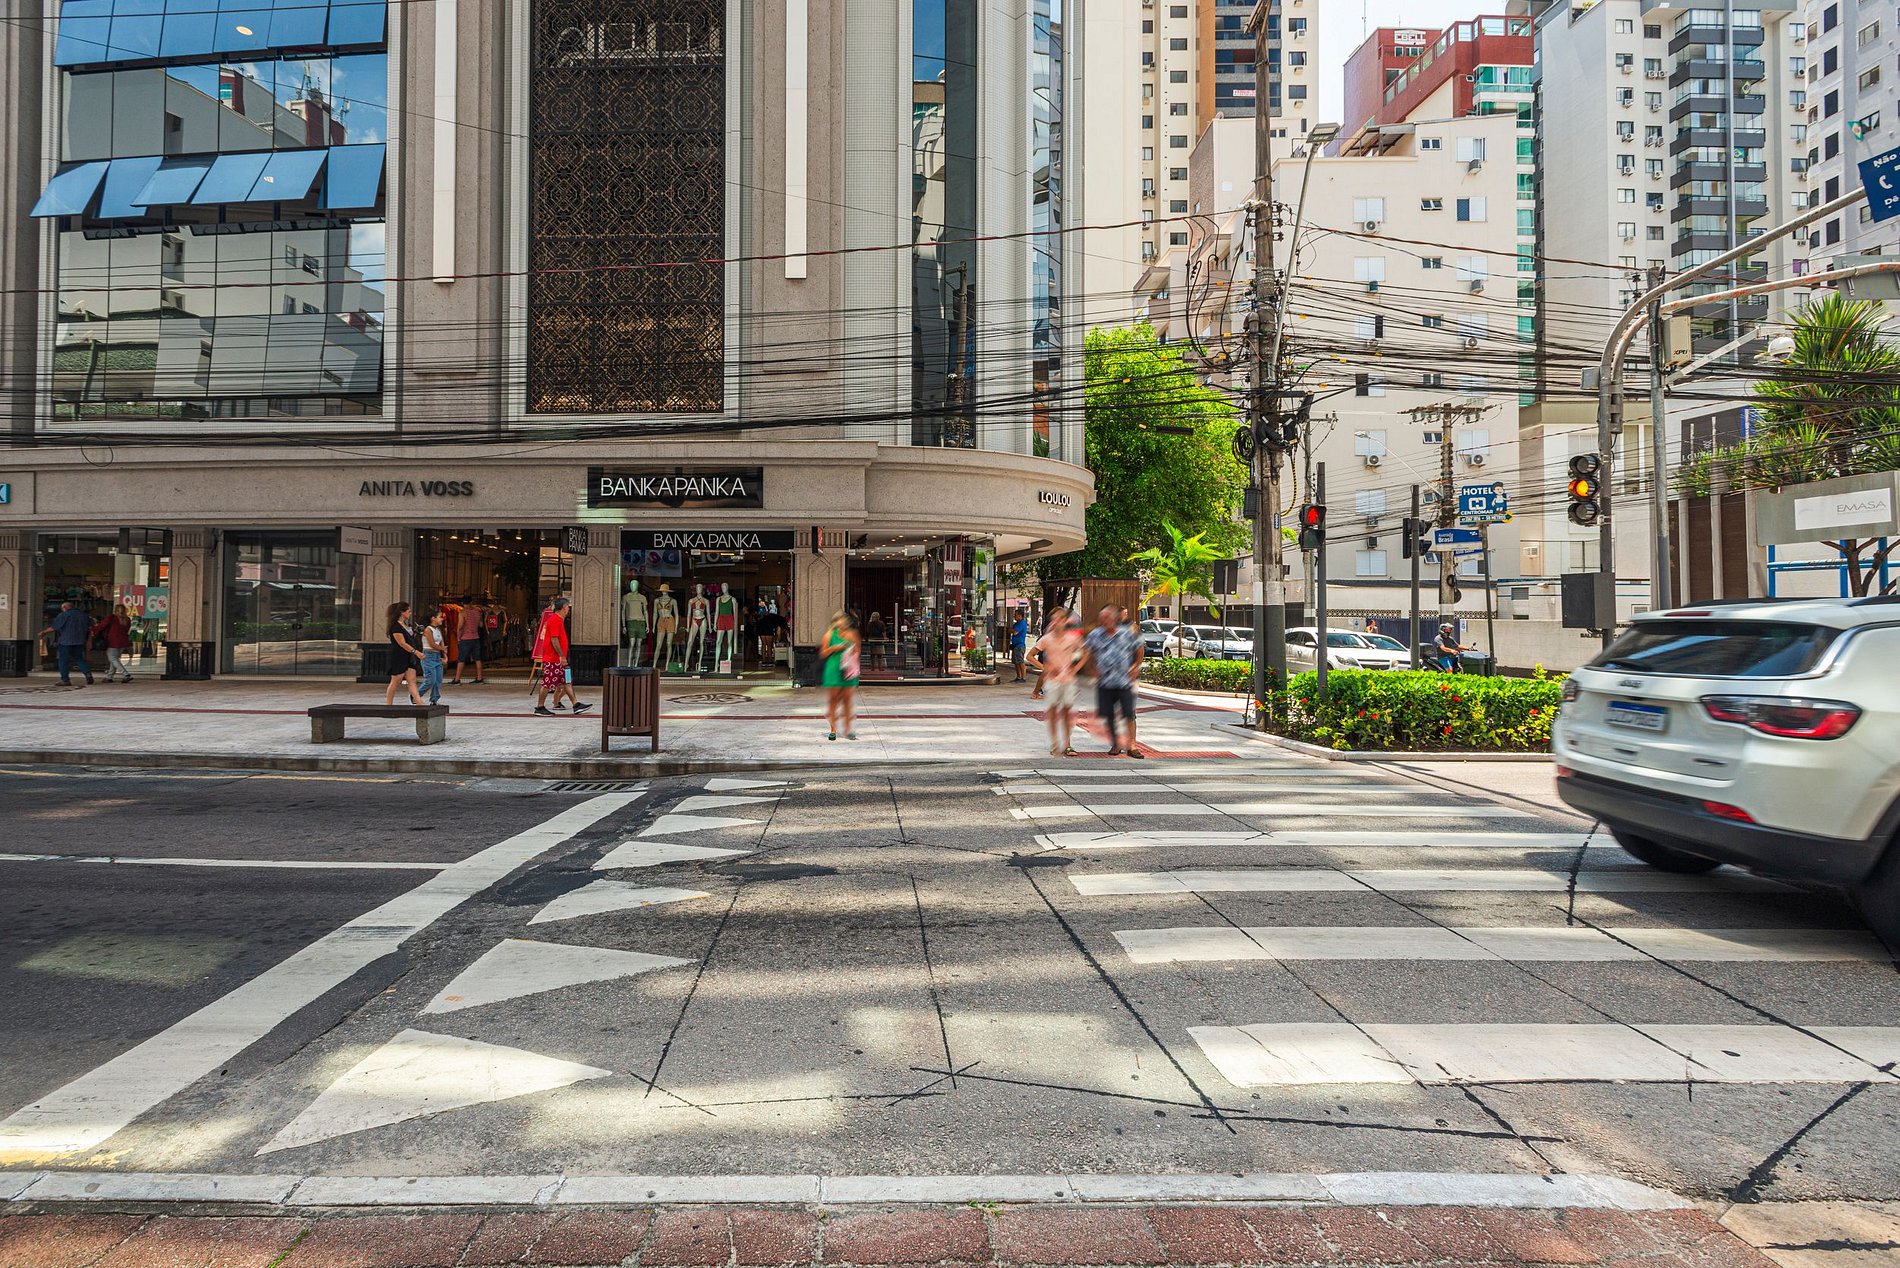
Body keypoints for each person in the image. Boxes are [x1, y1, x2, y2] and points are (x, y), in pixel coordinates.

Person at [1082, 604, 1146, 758]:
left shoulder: (1127, 633)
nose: (1103, 621)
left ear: (1114, 618)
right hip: (1105, 682)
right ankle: (1116, 743)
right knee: (1108, 715)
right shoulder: (1095, 634)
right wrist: (1091, 669)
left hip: (1124, 681)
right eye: (1101, 619)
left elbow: (1139, 648)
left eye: (1106, 618)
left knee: (1129, 714)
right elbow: (1087, 653)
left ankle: (1132, 746)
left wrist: (1135, 666)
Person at [1027, 606, 1086, 756]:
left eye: (1060, 619)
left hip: (1068, 681)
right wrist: (1045, 668)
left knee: (1067, 712)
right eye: (1055, 619)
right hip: (1052, 681)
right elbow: (1030, 656)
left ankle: (1067, 744)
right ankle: (1054, 744)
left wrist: (1075, 668)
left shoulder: (1072, 638)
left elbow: (1085, 653)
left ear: (1065, 621)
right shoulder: (1046, 639)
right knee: (1053, 712)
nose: (1057, 622)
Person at [533, 597, 590, 716]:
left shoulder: (558, 620)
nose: (569, 609)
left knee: (567, 682)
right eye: (568, 607)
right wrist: (562, 656)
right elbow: (554, 639)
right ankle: (540, 707)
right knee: (547, 683)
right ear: (564, 608)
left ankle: (576, 705)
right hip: (554, 659)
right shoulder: (555, 620)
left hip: (558, 659)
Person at [820, 610, 861, 741]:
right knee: (834, 700)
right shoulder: (829, 635)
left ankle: (848, 730)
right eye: (841, 620)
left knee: (847, 701)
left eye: (845, 620)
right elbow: (823, 653)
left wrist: (851, 649)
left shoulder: (852, 634)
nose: (844, 622)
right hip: (834, 670)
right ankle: (833, 729)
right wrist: (834, 648)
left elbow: (858, 650)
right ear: (835, 622)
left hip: (848, 670)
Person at [40, 600, 96, 687]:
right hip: (79, 641)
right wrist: (89, 641)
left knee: (63, 660)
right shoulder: (83, 615)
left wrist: (43, 632)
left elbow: (54, 627)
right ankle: (88, 674)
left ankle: (65, 680)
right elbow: (91, 628)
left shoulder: (64, 615)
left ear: (64, 608)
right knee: (79, 658)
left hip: (65, 641)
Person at [383, 602, 426, 707]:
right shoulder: (396, 627)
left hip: (409, 656)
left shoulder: (406, 625)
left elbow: (410, 639)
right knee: (395, 681)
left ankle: (419, 702)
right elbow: (402, 643)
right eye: (408, 611)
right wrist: (416, 652)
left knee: (412, 680)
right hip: (399, 656)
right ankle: (388, 704)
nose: (410, 613)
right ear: (402, 612)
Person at [93, 603, 135, 683]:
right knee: (115, 660)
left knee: (112, 658)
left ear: (115, 610)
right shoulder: (127, 619)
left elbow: (102, 626)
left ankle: (126, 674)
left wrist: (93, 629)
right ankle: (109, 677)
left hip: (112, 641)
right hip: (123, 641)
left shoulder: (111, 618)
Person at [451, 596, 486, 685]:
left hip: (465, 638)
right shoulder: (477, 611)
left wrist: (458, 637)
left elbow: (460, 627)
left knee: (461, 659)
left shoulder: (462, 612)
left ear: (462, 603)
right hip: (476, 637)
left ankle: (457, 679)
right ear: (471, 602)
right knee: (477, 658)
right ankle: (479, 678)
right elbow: (481, 625)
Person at [419, 609, 448, 706]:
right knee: (430, 680)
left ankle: (434, 700)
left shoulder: (438, 630)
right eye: (440, 617)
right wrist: (443, 649)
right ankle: (416, 696)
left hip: (437, 656)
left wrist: (444, 655)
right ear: (433, 618)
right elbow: (432, 644)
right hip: (428, 656)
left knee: (438, 680)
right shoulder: (428, 630)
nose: (442, 619)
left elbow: (441, 642)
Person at [1009, 609, 1030, 683]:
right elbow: (1010, 630)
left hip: (1020, 645)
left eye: (1016, 615)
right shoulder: (1016, 624)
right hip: (1015, 645)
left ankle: (1023, 677)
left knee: (1020, 661)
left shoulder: (1022, 623)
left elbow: (1015, 632)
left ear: (1020, 616)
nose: (1014, 616)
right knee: (1016, 662)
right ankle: (1018, 676)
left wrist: (1012, 630)